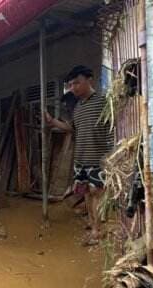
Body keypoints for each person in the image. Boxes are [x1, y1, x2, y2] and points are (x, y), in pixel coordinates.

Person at [46, 65, 113, 245]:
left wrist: (111, 154)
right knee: (86, 194)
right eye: (70, 84)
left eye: (77, 83)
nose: (73, 87)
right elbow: (72, 129)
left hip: (98, 157)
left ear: (89, 80)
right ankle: (93, 225)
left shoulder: (103, 102)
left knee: (97, 192)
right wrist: (53, 122)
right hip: (81, 159)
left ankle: (97, 232)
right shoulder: (77, 108)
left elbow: (113, 127)